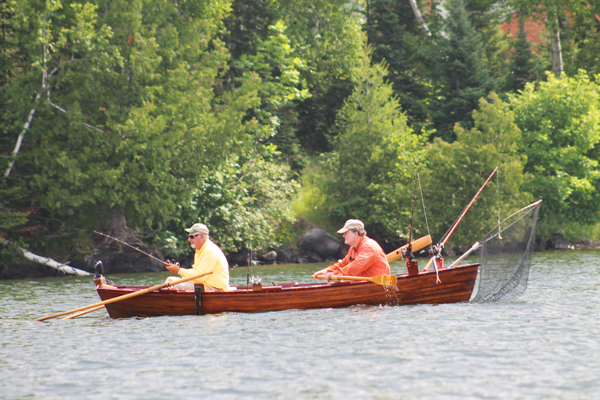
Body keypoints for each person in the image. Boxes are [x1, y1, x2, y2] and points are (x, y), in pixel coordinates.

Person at [312, 219, 390, 281]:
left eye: (346, 232)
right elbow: (343, 264)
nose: (343, 235)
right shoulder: (353, 248)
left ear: (355, 233)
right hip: (361, 284)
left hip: (377, 285)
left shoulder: (369, 246)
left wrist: (334, 274)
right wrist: (327, 270)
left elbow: (355, 267)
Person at [165, 223, 230, 291]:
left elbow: (200, 277)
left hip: (215, 288)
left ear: (201, 236)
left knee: (175, 285)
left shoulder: (210, 251)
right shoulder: (199, 250)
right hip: (203, 285)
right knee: (171, 280)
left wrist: (179, 271)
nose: (189, 239)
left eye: (191, 237)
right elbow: (197, 273)